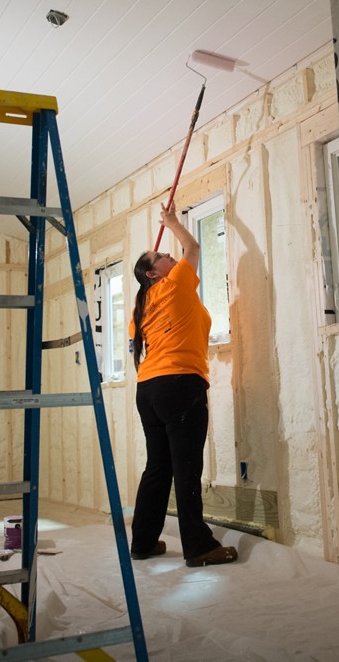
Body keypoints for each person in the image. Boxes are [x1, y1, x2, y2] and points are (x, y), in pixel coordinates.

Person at [128, 203, 237, 568]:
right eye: (159, 256)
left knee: (158, 467)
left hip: (149, 390)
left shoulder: (140, 307)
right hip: (179, 384)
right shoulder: (173, 285)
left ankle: (142, 542)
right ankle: (198, 546)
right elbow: (193, 249)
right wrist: (173, 223)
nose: (169, 254)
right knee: (186, 466)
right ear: (154, 275)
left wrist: (156, 258)